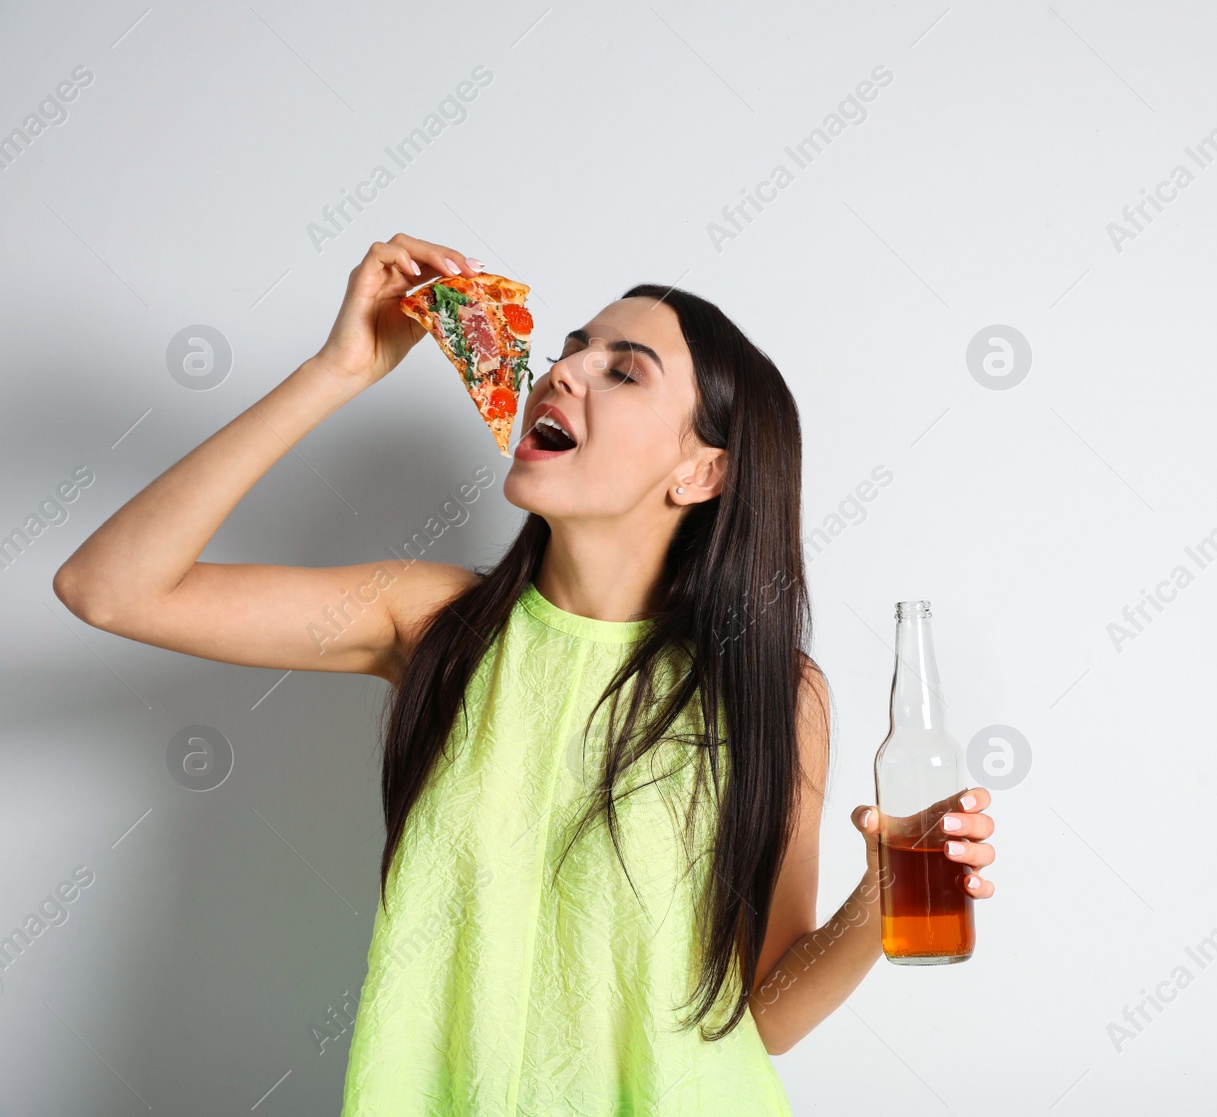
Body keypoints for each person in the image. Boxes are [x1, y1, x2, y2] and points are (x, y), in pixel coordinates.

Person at [53, 233, 998, 1115]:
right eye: (573, 348)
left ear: (700, 474)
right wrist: (335, 371)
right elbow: (110, 588)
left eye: (623, 370)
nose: (565, 369)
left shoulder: (773, 694)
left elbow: (766, 1016)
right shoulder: (428, 620)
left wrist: (878, 898)